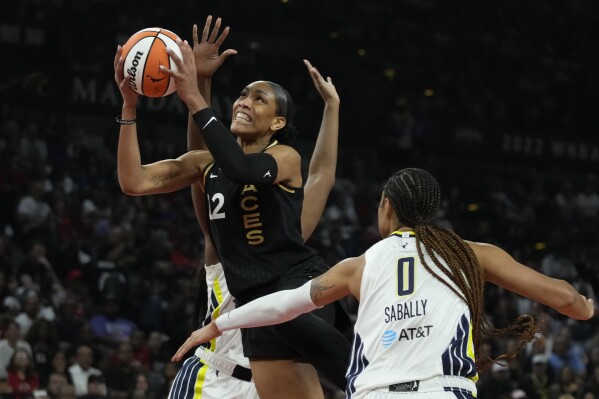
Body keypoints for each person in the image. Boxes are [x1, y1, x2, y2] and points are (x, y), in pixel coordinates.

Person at [172, 168, 595, 399]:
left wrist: (217, 325)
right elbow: (564, 298)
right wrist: (586, 307)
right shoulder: (470, 253)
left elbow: (283, 306)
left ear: (386, 207)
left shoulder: (360, 265)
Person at [114, 16, 351, 399]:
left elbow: (320, 177)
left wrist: (332, 108)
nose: (244, 101)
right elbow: (136, 180)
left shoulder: (286, 227)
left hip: (268, 384)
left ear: (277, 121)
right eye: (243, 94)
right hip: (214, 379)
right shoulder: (219, 235)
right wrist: (131, 106)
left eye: (259, 98)